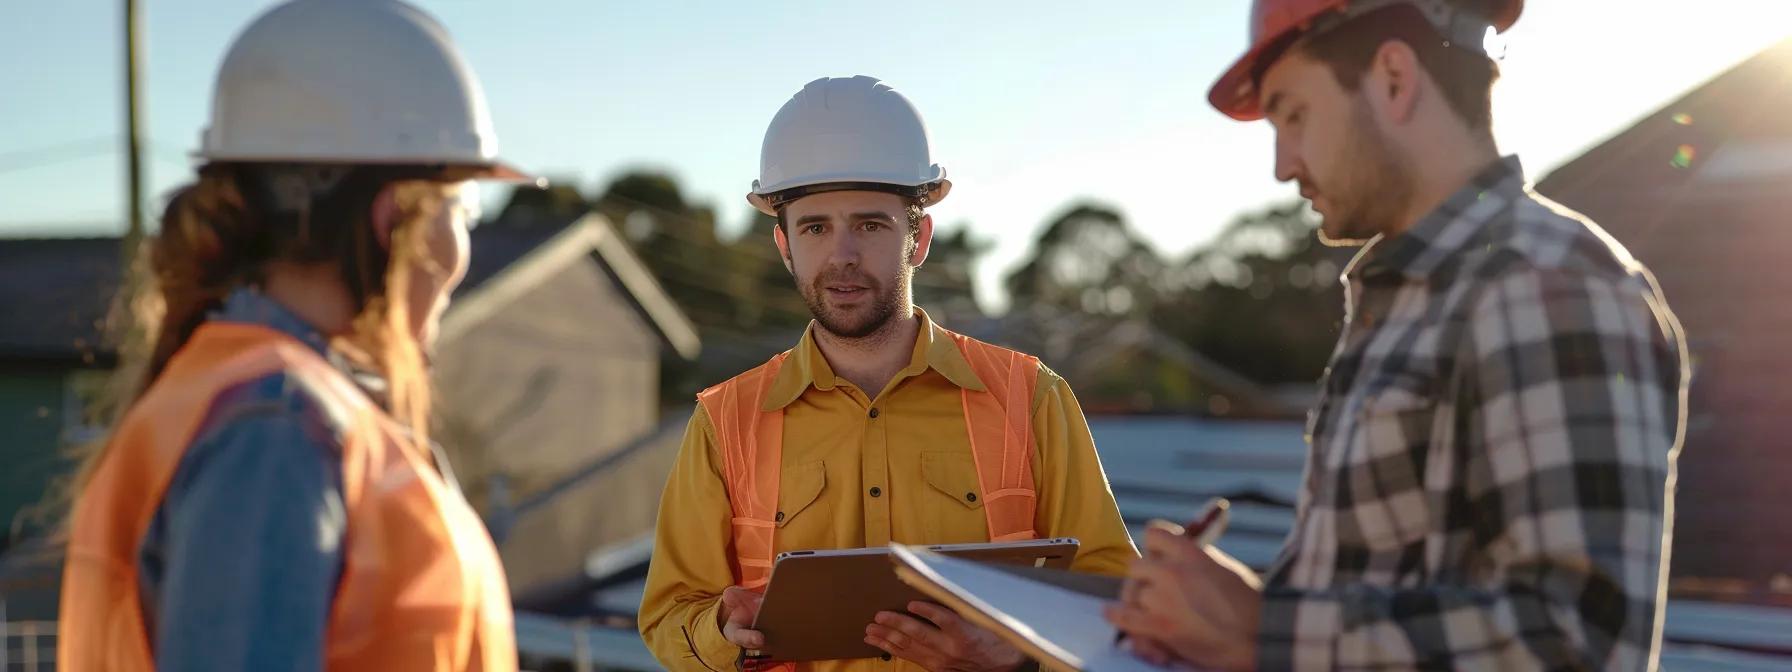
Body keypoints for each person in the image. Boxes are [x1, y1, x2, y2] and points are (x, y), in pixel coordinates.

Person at [1104, 1, 1690, 670]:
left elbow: (1572, 642)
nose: (1282, 164)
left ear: (1392, 77)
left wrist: (1260, 630)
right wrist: (1215, 629)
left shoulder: (1545, 285)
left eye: (1292, 114)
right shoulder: (1414, 296)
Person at [55, 1, 532, 669]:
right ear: (393, 217)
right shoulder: (276, 427)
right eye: (462, 209)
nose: (463, 248)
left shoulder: (258, 400)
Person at [638, 75, 1139, 672]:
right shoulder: (726, 422)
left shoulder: (1032, 399)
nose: (842, 255)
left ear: (918, 238)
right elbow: (670, 617)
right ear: (784, 245)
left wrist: (1019, 653)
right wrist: (724, 628)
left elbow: (1114, 594)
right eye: (815, 227)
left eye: (871, 225)